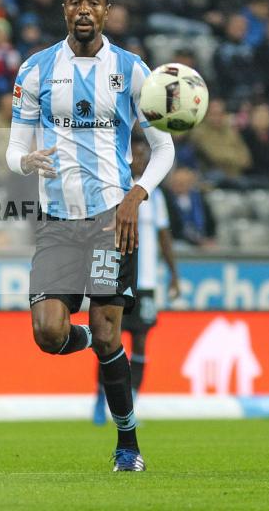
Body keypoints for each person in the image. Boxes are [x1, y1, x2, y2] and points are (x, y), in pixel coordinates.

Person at [5, 0, 174, 472]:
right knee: (48, 335)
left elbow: (164, 148)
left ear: (106, 11)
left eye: (93, 1)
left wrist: (136, 195)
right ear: (64, 9)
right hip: (56, 221)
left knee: (108, 336)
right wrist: (24, 163)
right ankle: (85, 342)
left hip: (110, 220)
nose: (84, 8)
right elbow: (15, 148)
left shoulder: (132, 70)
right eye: (75, 0)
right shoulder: (35, 70)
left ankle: (128, 444)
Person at [94, 140, 179, 424]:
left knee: (141, 341)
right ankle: (99, 400)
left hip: (147, 281)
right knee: (107, 336)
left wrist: (174, 274)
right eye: (136, 155)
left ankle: (130, 406)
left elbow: (163, 236)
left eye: (145, 154)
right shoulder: (114, 188)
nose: (139, 159)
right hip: (118, 274)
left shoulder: (155, 195)